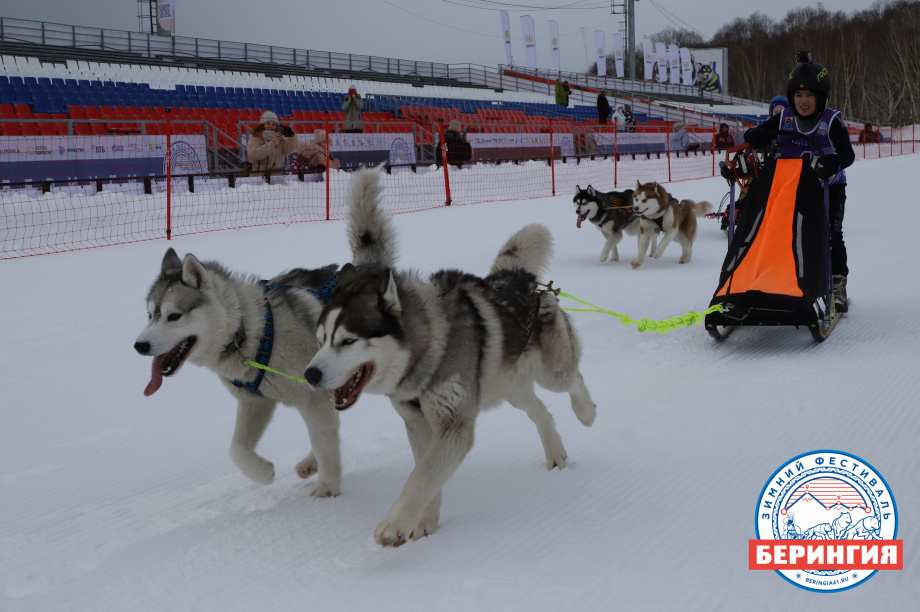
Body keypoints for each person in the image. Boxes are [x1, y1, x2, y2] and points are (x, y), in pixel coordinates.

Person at [744, 51, 856, 313]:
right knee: (779, 234)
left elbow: (848, 154)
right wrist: (755, 136)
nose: (803, 101)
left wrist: (833, 162)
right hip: (790, 187)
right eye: (798, 95)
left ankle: (837, 284)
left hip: (829, 189)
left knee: (831, 236)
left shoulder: (831, 121)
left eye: (810, 95)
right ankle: (777, 281)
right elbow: (760, 134)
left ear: (821, 97)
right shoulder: (783, 118)